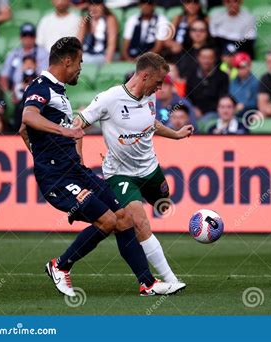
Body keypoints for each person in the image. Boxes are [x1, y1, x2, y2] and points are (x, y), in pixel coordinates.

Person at [18, 37, 178, 298]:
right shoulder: (41, 87)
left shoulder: (58, 91)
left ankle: (147, 284)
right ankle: (60, 265)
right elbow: (28, 118)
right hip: (57, 178)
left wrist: (43, 151)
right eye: (80, 62)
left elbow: (24, 131)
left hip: (76, 171)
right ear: (68, 61)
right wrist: (55, 146)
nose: (81, 67)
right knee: (107, 220)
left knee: (124, 216)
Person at [74, 52, 191, 290]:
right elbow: (77, 125)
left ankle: (129, 219)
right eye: (158, 83)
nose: (160, 89)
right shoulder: (109, 99)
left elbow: (151, 123)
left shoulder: (149, 97)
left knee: (163, 205)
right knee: (139, 221)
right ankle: (169, 280)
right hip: (120, 174)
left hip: (150, 168)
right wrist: (78, 164)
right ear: (145, 76)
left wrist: (176, 135)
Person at [0, 23, 48, 93]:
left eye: (31, 35)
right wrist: (8, 93)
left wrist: (35, 68)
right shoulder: (13, 54)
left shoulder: (43, 53)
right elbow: (4, 76)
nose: (28, 38)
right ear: (20, 37)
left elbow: (46, 77)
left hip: (37, 88)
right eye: (25, 35)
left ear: (35, 37)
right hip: (16, 90)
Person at [185, 45, 229, 119]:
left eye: (210, 58)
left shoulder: (222, 76)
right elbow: (187, 97)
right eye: (204, 57)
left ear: (215, 59)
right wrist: (193, 109)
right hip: (194, 112)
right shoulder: (191, 75)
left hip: (215, 113)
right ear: (198, 58)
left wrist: (204, 112)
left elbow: (222, 98)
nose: (206, 61)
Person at [76, 0, 118, 64]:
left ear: (103, 6)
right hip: (88, 53)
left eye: (97, 5)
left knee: (87, 60)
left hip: (104, 54)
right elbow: (78, 42)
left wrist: (107, 63)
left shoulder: (110, 19)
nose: (94, 8)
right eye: (91, 5)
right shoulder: (85, 20)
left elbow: (111, 44)